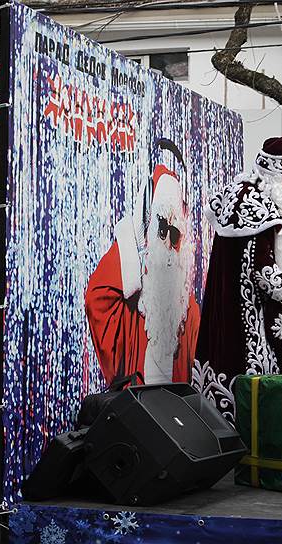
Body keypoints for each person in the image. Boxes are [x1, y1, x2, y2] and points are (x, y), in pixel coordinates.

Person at [195, 137, 282, 421]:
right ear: (276, 176)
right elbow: (259, 263)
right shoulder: (254, 201)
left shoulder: (259, 195)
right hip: (247, 308)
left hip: (247, 303)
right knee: (248, 375)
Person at [85, 138, 200, 387]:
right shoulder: (135, 291)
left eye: (176, 233)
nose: (169, 241)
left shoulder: (187, 307)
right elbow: (97, 298)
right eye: (162, 229)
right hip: (139, 399)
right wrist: (128, 243)